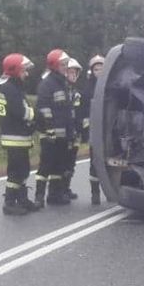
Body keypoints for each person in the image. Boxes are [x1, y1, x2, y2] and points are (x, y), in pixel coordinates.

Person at [0, 53, 40, 215]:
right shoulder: (10, 89)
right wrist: (37, 116)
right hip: (14, 138)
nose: (26, 74)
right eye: (23, 70)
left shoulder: (13, 87)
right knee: (16, 172)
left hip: (19, 137)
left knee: (23, 170)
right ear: (15, 70)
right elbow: (21, 112)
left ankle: (22, 199)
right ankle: (9, 203)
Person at [34, 49, 75, 207]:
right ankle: (39, 197)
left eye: (66, 64)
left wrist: (70, 133)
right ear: (54, 66)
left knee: (59, 166)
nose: (65, 67)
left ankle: (54, 195)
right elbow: (43, 109)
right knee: (45, 166)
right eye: (63, 65)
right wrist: (49, 129)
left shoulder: (63, 84)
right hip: (49, 135)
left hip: (63, 136)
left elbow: (67, 111)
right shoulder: (47, 84)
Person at [63, 57, 85, 201]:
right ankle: (59, 189)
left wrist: (81, 130)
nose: (73, 75)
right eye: (71, 72)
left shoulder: (75, 91)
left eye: (75, 72)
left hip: (75, 133)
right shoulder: (62, 90)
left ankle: (66, 188)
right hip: (65, 133)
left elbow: (78, 113)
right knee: (63, 162)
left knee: (71, 162)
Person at [84, 55, 104, 204]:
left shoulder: (112, 87)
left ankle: (111, 190)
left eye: (101, 68)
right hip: (94, 131)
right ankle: (95, 193)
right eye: (96, 69)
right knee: (94, 162)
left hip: (109, 132)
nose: (99, 72)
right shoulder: (87, 90)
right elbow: (84, 112)